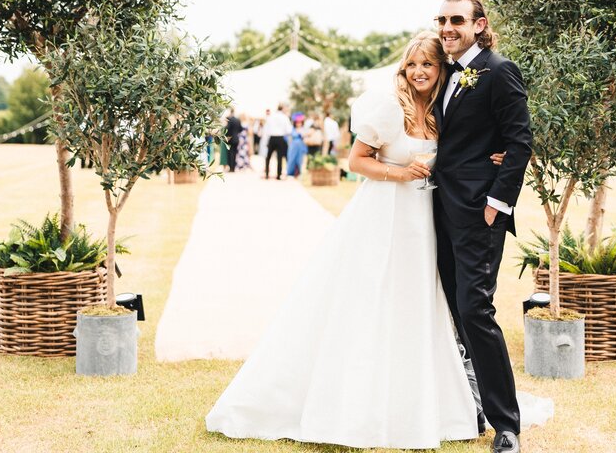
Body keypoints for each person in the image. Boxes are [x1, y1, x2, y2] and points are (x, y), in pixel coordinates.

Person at [205, 32, 547, 449]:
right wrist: (401, 173)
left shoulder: (442, 110)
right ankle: (354, 401)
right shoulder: (387, 107)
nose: (418, 72)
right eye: (412, 65)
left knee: (418, 304)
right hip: (382, 216)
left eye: (428, 65)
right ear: (402, 69)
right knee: (369, 299)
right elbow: (356, 161)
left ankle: (425, 401)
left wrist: (500, 153)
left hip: (424, 222)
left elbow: (473, 141)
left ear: (441, 71)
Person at [432, 0, 533, 453]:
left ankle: (506, 423)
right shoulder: (441, 74)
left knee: (476, 309)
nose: (447, 27)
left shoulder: (498, 70)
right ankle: (466, 402)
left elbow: (520, 141)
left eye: (456, 19)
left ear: (479, 24)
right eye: (441, 19)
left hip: (479, 213)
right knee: (454, 311)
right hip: (436, 211)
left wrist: (497, 202)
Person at [263, 104, 292, 180]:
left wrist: (266, 141)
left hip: (272, 138)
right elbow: (289, 130)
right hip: (280, 138)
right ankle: (278, 175)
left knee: (268, 157)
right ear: (282, 109)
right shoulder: (285, 117)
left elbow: (266, 130)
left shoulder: (271, 117)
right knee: (279, 157)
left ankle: (267, 174)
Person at [224, 108, 243, 172]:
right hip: (236, 139)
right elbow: (241, 129)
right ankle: (233, 168)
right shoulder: (238, 120)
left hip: (230, 139)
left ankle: (231, 168)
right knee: (234, 153)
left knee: (230, 153)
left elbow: (227, 129)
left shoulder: (230, 119)